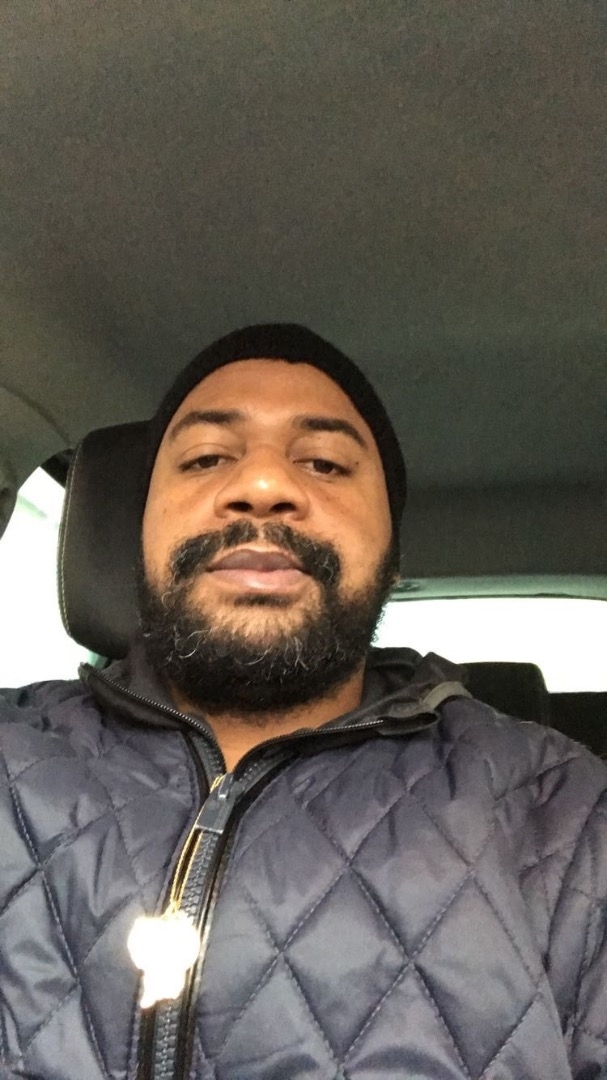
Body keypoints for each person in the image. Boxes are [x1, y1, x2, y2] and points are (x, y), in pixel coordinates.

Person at [0, 324, 605, 1080]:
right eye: (206, 458)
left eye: (324, 462)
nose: (262, 485)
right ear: (141, 532)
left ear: (391, 552)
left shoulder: (564, 814)